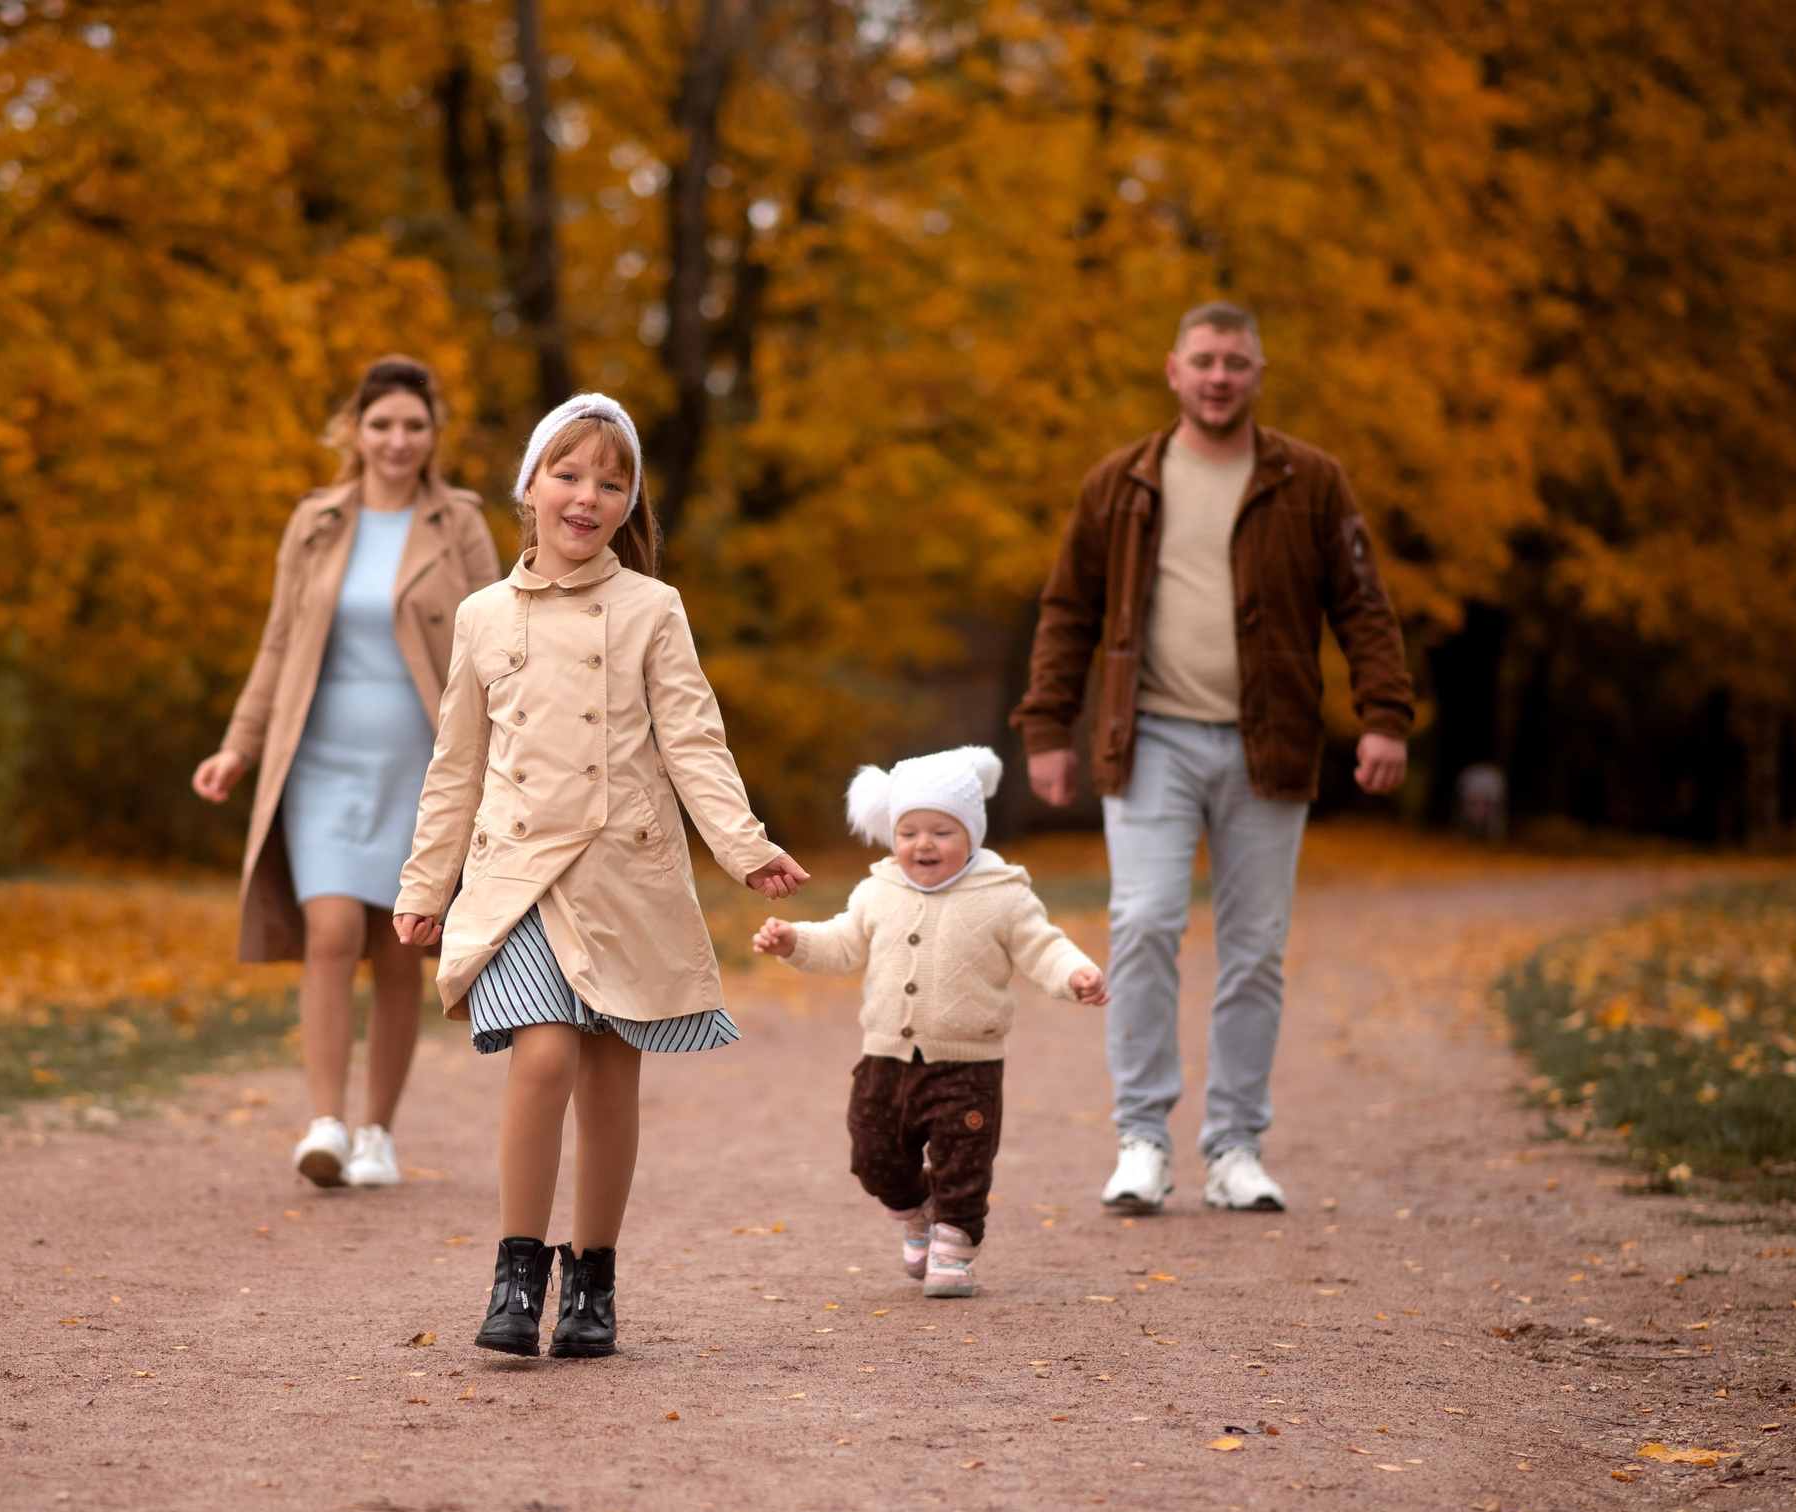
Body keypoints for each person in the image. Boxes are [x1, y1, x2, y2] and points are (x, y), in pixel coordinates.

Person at [393, 393, 809, 1359]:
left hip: (625, 877)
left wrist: (744, 847)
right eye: (568, 474)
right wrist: (425, 886)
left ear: (631, 504)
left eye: (611, 481)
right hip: (518, 877)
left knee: (611, 1081)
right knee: (542, 1056)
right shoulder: (483, 616)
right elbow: (455, 763)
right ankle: (515, 1270)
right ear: (530, 486)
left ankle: (595, 1279)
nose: (587, 496)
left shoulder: (653, 609)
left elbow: (695, 743)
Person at [1016, 302, 1413, 1214]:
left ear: (1258, 374)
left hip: (1267, 746)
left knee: (1255, 950)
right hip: (1148, 737)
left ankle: (1236, 1147)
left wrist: (1385, 714)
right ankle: (1142, 1140)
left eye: (1237, 361)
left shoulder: (1311, 481)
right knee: (1147, 921)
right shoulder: (1120, 482)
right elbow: (1067, 609)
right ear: (1174, 371)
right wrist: (1048, 727)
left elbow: (1362, 604)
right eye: (1204, 360)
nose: (1220, 376)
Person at [193, 356, 501, 1190]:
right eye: (381, 424)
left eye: (413, 425)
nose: (397, 440)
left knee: (398, 949)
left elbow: (502, 639)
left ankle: (378, 1132)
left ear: (434, 433)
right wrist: (239, 744)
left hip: (423, 768)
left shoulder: (460, 522)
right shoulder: (317, 520)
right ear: (354, 431)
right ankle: (326, 1121)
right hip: (320, 761)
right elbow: (278, 641)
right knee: (329, 932)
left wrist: (512, 753)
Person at [750, 746, 1106, 1297]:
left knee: (964, 1165)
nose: (923, 844)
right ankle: (918, 1213)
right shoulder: (877, 891)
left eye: (942, 831)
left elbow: (1044, 947)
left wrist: (1076, 974)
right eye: (910, 831)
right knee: (872, 1154)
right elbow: (842, 944)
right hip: (885, 1057)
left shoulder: (1004, 895)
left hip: (967, 1065)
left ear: (972, 835)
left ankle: (955, 1248)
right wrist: (795, 940)